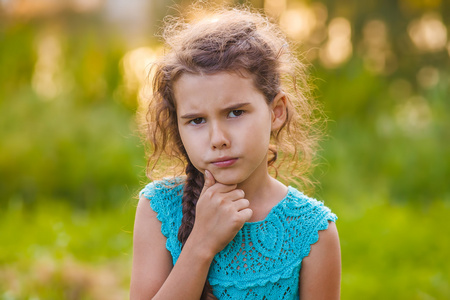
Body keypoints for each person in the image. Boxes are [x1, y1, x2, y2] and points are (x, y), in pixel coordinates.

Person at [130, 4, 341, 300]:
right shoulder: (159, 209)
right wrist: (200, 244)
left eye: (235, 113)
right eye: (197, 120)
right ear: (178, 126)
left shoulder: (312, 232)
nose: (218, 139)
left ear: (276, 112)